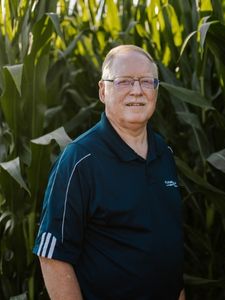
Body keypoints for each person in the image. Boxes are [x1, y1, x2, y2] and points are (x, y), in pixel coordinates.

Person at [33, 45, 185, 300]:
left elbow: (168, 243)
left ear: (156, 90)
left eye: (147, 81)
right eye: (124, 81)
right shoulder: (79, 160)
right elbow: (51, 254)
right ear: (103, 91)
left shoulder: (163, 152)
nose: (137, 91)